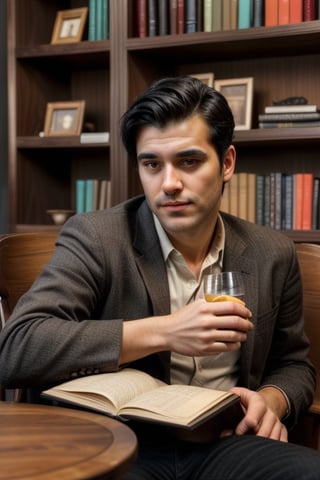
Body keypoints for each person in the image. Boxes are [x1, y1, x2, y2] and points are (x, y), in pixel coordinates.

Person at [0, 76, 320, 479]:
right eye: (152, 164)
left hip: (226, 442)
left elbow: (294, 365)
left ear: (226, 164)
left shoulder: (271, 252)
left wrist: (273, 402)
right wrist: (164, 331)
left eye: (189, 161)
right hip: (118, 441)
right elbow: (16, 349)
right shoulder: (97, 236)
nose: (169, 183)